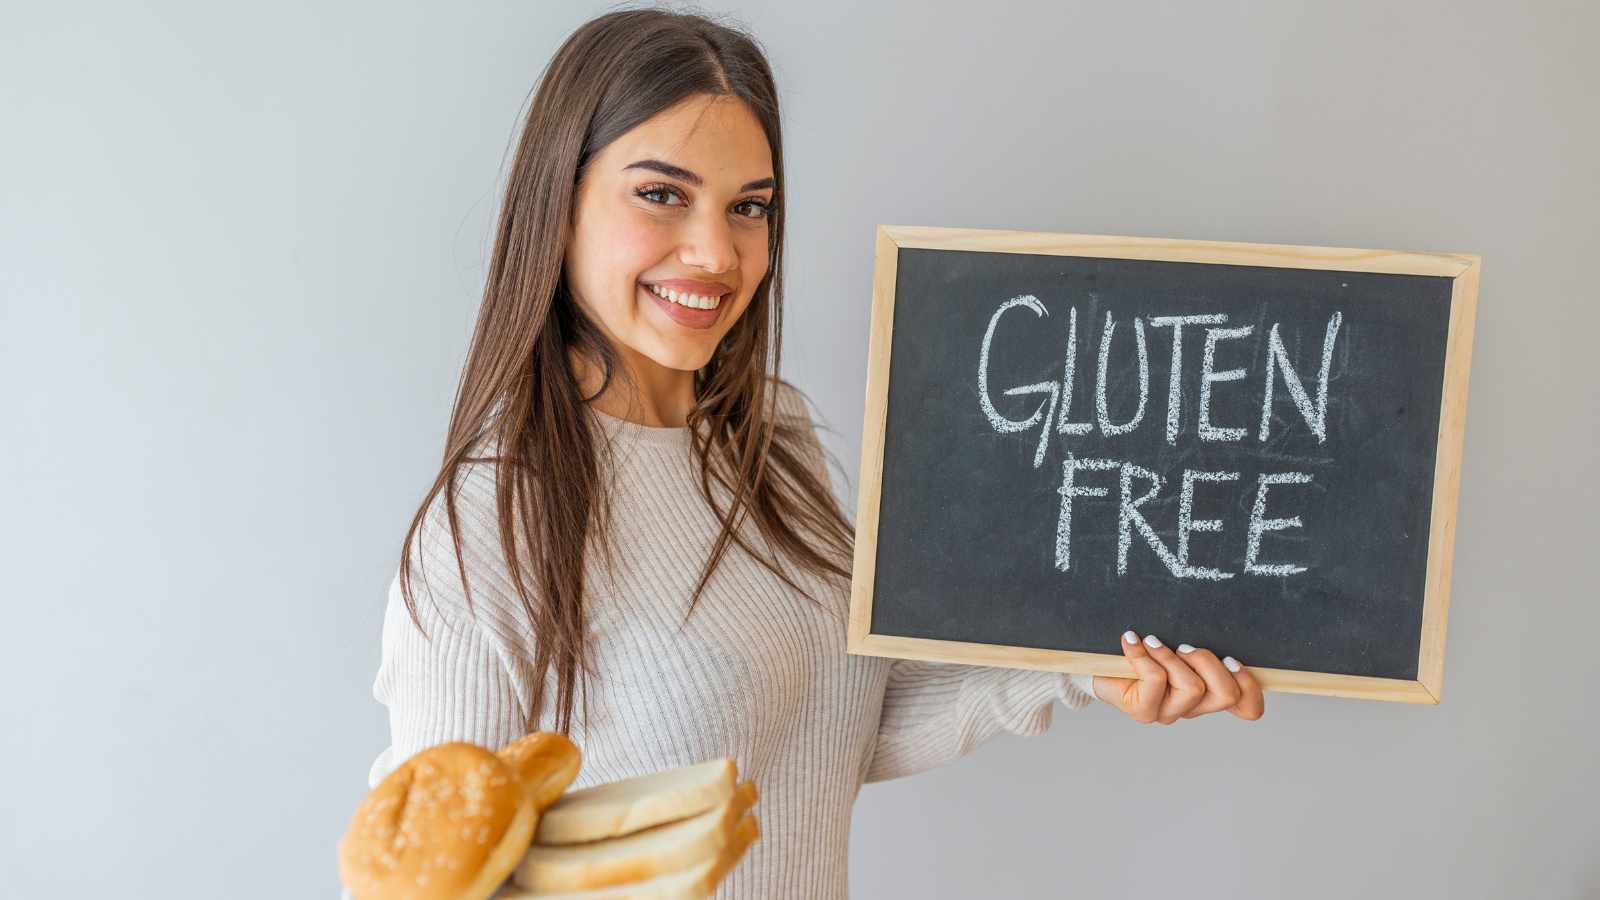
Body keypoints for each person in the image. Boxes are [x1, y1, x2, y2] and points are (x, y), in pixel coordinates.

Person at [361, 8, 1265, 898]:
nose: (716, 252)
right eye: (662, 194)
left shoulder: (771, 436)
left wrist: (1078, 668)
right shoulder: (489, 523)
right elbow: (424, 879)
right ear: (558, 206)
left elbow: (831, 722)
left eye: (749, 208)